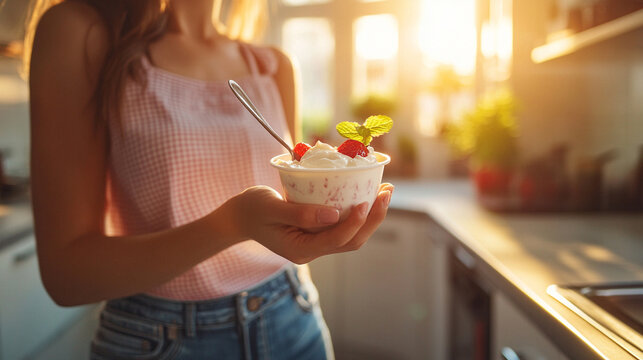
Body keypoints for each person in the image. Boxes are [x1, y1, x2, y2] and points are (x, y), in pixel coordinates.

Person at [26, 0, 394, 359]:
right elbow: (66, 276)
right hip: (160, 339)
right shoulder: (81, 33)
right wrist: (233, 224)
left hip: (292, 317)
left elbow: (293, 211)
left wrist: (319, 228)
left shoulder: (272, 66)